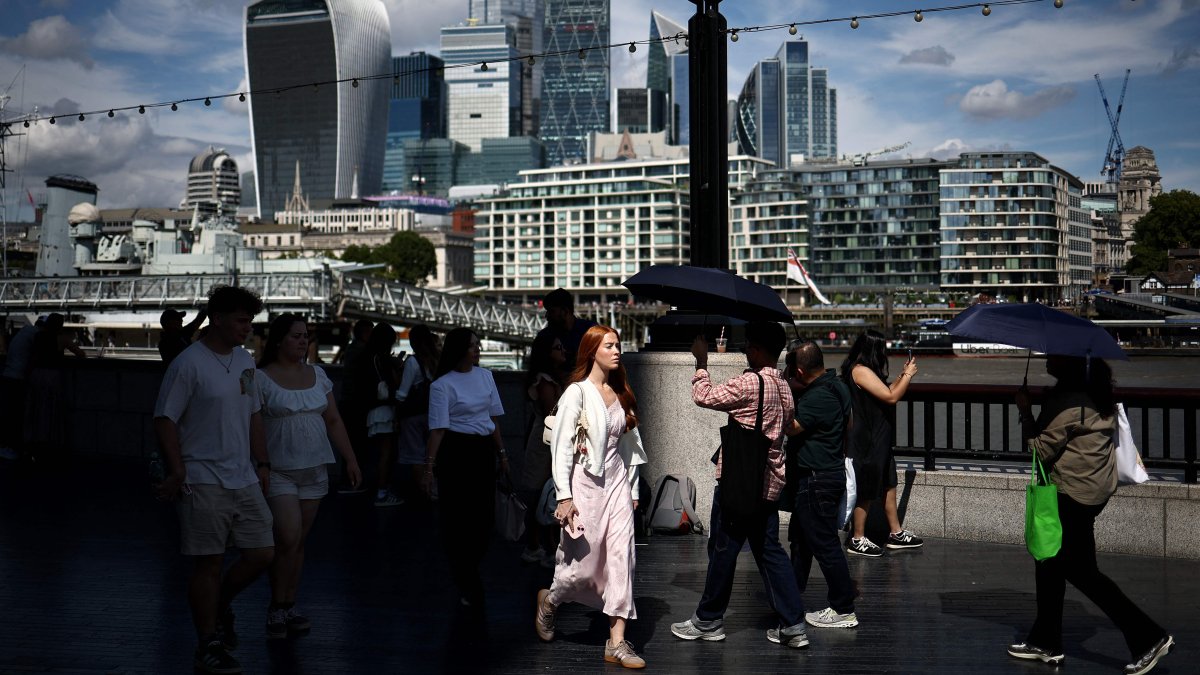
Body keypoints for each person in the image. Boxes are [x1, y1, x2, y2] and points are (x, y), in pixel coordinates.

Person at [1010, 356, 1174, 673]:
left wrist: (1025, 411)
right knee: (1049, 563)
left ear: (1068, 365)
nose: (1048, 359)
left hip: (1070, 494)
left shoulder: (1069, 403)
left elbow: (1038, 450)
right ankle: (1045, 640)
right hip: (1093, 492)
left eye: (1054, 356)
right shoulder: (1096, 396)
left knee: (1081, 572)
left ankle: (1148, 637)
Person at [152, 286, 274, 675]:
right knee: (209, 562)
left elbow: (254, 412)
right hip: (202, 478)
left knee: (262, 553)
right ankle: (208, 643)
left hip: (244, 476)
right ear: (217, 318)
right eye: (241, 320)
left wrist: (263, 463)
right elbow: (165, 419)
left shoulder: (245, 361)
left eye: (250, 321)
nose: (247, 328)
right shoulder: (188, 364)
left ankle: (218, 604)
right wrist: (178, 470)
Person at [670, 321, 810, 650]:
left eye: (748, 344)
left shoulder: (748, 383)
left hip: (738, 482)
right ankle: (793, 624)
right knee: (770, 552)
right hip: (769, 483)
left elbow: (702, 396)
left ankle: (708, 620)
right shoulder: (785, 388)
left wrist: (701, 362)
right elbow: (788, 425)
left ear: (759, 350)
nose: (744, 348)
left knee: (724, 550)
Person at [534, 325, 648, 669]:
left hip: (616, 486)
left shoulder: (621, 392)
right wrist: (564, 496)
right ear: (592, 351)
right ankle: (550, 601)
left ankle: (616, 642)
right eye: (609, 345)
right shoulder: (576, 393)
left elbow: (630, 447)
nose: (617, 351)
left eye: (618, 345)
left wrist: (633, 489)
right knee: (580, 567)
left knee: (621, 558)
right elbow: (562, 449)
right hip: (584, 485)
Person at [256, 313, 362, 640]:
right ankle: (276, 604)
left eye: (305, 336)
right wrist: (260, 464)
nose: (303, 341)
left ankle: (288, 603)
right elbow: (253, 424)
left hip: (314, 469)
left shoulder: (318, 374)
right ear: (278, 340)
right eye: (295, 336)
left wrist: (351, 459)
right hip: (280, 471)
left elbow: (333, 420)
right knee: (287, 536)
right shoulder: (261, 378)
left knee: (299, 542)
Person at [420, 327, 508, 608]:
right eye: (472, 345)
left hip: (482, 452)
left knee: (484, 520)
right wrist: (429, 468)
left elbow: (493, 419)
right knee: (457, 520)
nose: (477, 349)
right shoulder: (442, 385)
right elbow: (437, 430)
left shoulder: (486, 377)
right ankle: (467, 580)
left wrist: (502, 454)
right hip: (455, 453)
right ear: (459, 349)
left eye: (477, 344)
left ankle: (467, 572)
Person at [782, 341, 858, 630]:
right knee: (801, 542)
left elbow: (791, 427)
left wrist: (785, 391)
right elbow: (848, 426)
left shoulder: (816, 398)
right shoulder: (838, 386)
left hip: (816, 478)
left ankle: (843, 608)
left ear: (799, 370)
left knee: (825, 545)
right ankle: (789, 597)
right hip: (826, 473)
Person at [839, 330, 921, 557]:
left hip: (879, 438)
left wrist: (902, 375)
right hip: (868, 440)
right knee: (866, 488)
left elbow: (888, 391)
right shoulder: (860, 370)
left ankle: (896, 532)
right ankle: (857, 538)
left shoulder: (867, 371)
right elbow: (891, 397)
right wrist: (908, 376)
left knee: (888, 484)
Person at [518, 331, 566, 567]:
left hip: (545, 439)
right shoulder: (545, 380)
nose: (563, 351)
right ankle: (537, 545)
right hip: (545, 442)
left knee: (543, 493)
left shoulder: (550, 377)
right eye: (557, 348)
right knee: (541, 493)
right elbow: (552, 414)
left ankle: (541, 545)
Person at [26, 312, 86, 461]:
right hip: (51, 377)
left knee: (37, 411)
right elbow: (80, 354)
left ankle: (35, 447)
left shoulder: (38, 336)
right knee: (51, 412)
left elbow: (32, 357)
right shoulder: (61, 339)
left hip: (35, 375)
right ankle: (50, 445)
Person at [355, 324, 403, 507]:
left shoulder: (366, 356)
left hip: (372, 410)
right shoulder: (382, 359)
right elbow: (392, 386)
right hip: (384, 410)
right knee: (386, 453)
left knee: (379, 453)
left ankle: (378, 488)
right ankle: (382, 492)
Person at [394, 324, 439, 502]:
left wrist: (397, 415)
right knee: (431, 454)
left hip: (413, 415)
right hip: (434, 415)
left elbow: (402, 393)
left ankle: (424, 492)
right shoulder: (436, 360)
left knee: (416, 456)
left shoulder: (413, 362)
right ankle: (434, 489)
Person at [334, 319, 373, 494]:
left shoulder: (352, 348)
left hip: (347, 402)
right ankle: (352, 482)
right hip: (356, 405)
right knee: (356, 446)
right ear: (365, 333)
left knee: (350, 445)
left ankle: (349, 481)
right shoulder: (363, 351)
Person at [0, 318, 42, 460]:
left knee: (9, 413)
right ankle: (12, 448)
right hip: (18, 378)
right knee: (17, 414)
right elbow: (37, 356)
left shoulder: (25, 331)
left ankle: (7, 447)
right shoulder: (37, 334)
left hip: (8, 375)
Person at [537, 288, 597, 377]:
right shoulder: (544, 336)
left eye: (551, 311)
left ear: (564, 311)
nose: (547, 316)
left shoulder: (590, 331)